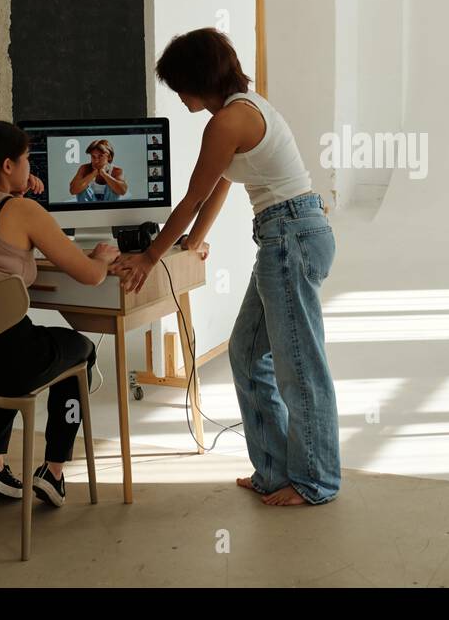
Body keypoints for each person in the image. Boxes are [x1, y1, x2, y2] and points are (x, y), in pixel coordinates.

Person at [111, 27, 339, 506]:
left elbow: (193, 196)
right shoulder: (244, 109)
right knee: (247, 353)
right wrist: (194, 243)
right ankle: (275, 472)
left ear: (195, 80)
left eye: (178, 86)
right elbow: (221, 185)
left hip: (289, 237)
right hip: (290, 233)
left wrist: (151, 257)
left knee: (299, 366)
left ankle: (315, 482)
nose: (178, 95)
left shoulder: (228, 121)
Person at [0, 119, 120, 507]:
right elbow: (90, 276)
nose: (33, 168)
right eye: (28, 159)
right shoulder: (22, 211)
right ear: (9, 166)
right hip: (5, 362)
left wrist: (17, 196)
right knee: (79, 350)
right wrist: (101, 256)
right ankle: (54, 470)